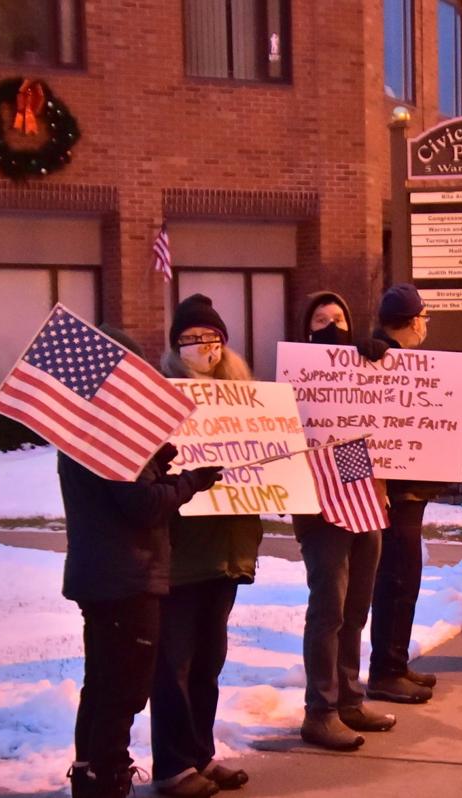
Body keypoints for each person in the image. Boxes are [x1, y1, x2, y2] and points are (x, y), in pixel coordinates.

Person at [59, 327, 223, 798]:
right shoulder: (108, 430)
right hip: (124, 578)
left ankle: (93, 774)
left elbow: (126, 490)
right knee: (124, 689)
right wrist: (189, 482)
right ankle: (107, 777)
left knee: (103, 682)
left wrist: (157, 464)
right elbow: (143, 505)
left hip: (105, 575)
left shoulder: (87, 424)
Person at [150, 295, 259, 796]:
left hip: (225, 552)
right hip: (178, 552)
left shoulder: (246, 396)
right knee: (173, 665)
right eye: (191, 339)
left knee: (209, 662)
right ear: (176, 346)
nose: (202, 347)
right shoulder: (159, 399)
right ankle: (172, 767)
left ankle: (201, 755)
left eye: (211, 338)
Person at [293, 290, 395, 751]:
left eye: (339, 318)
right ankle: (321, 710)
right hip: (318, 497)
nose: (331, 325)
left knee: (356, 606)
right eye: (320, 319)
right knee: (329, 609)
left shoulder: (362, 367)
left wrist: (378, 358)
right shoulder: (295, 373)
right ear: (306, 327)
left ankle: (350, 697)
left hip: (361, 490)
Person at [367, 284, 443, 704]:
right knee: (395, 579)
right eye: (424, 318)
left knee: (406, 579)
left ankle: (395, 660)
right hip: (393, 493)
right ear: (413, 321)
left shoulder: (409, 363)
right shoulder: (375, 358)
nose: (426, 326)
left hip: (410, 490)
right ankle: (385, 670)